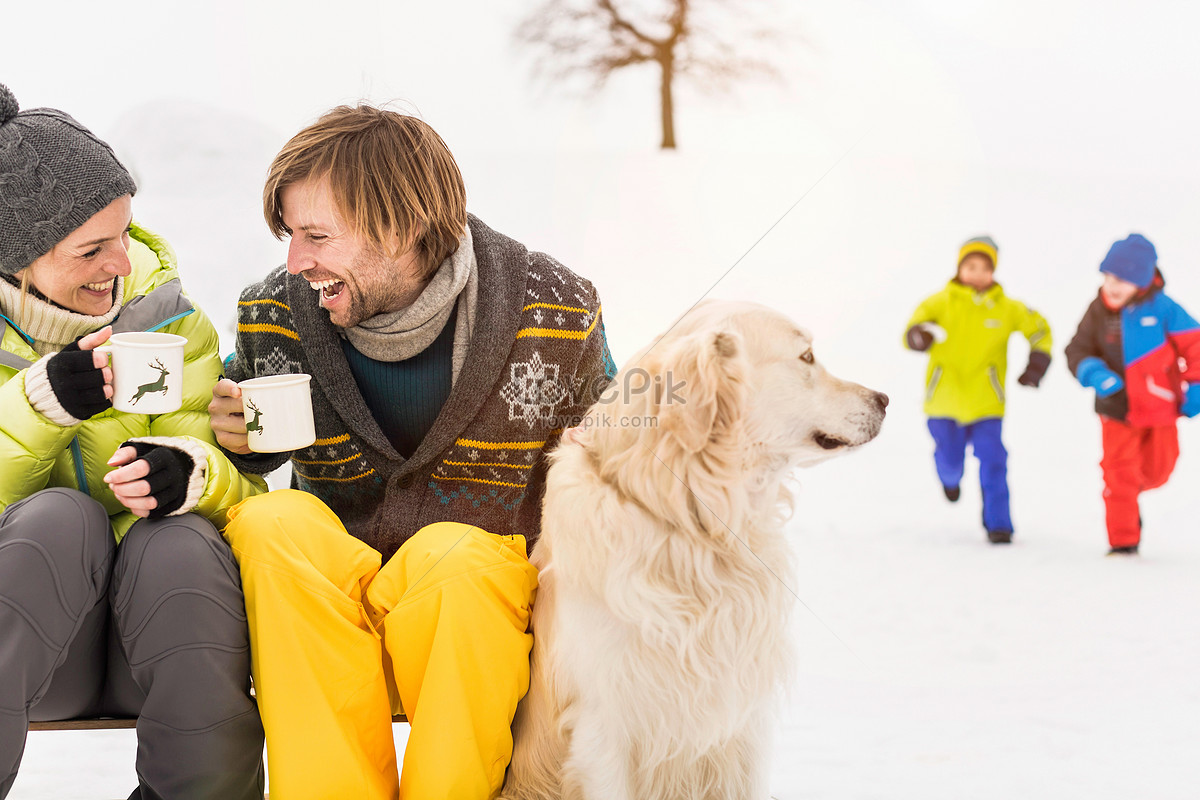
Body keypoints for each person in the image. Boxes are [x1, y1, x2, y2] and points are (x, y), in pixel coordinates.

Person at [209, 104, 616, 799]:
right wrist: (235, 444)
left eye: (316, 235)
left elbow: (617, 446)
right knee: (274, 523)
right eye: (289, 235)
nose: (296, 260)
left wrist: (607, 444)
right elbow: (238, 431)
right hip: (334, 597)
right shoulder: (275, 310)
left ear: (402, 227)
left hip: (472, 605)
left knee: (456, 555)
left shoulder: (555, 308)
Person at [0, 84, 267, 799]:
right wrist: (36, 406)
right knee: (62, 517)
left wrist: (194, 474)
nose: (121, 262)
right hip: (28, 655)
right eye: (92, 248)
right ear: (17, 260)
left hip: (160, 642)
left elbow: (244, 497)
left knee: (175, 538)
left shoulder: (170, 320)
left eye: (125, 232)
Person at [903, 235, 1052, 544]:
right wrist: (920, 337)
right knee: (950, 459)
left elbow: (1039, 330)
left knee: (995, 460)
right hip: (943, 401)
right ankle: (950, 480)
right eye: (971, 266)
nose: (977, 273)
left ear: (993, 271)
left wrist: (1036, 364)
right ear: (960, 268)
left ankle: (999, 525)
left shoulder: (1007, 308)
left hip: (987, 404)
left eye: (985, 267)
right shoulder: (938, 302)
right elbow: (911, 331)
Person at [1065, 234, 1200, 555]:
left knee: (1159, 470)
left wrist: (1196, 385)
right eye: (1109, 276)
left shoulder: (1164, 308)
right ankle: (1123, 540)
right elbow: (1077, 349)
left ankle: (1127, 493)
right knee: (1118, 473)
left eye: (1123, 279)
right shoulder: (1098, 310)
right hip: (1116, 408)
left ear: (1143, 281)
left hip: (1161, 408)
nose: (1112, 286)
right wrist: (1096, 376)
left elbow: (1195, 344)